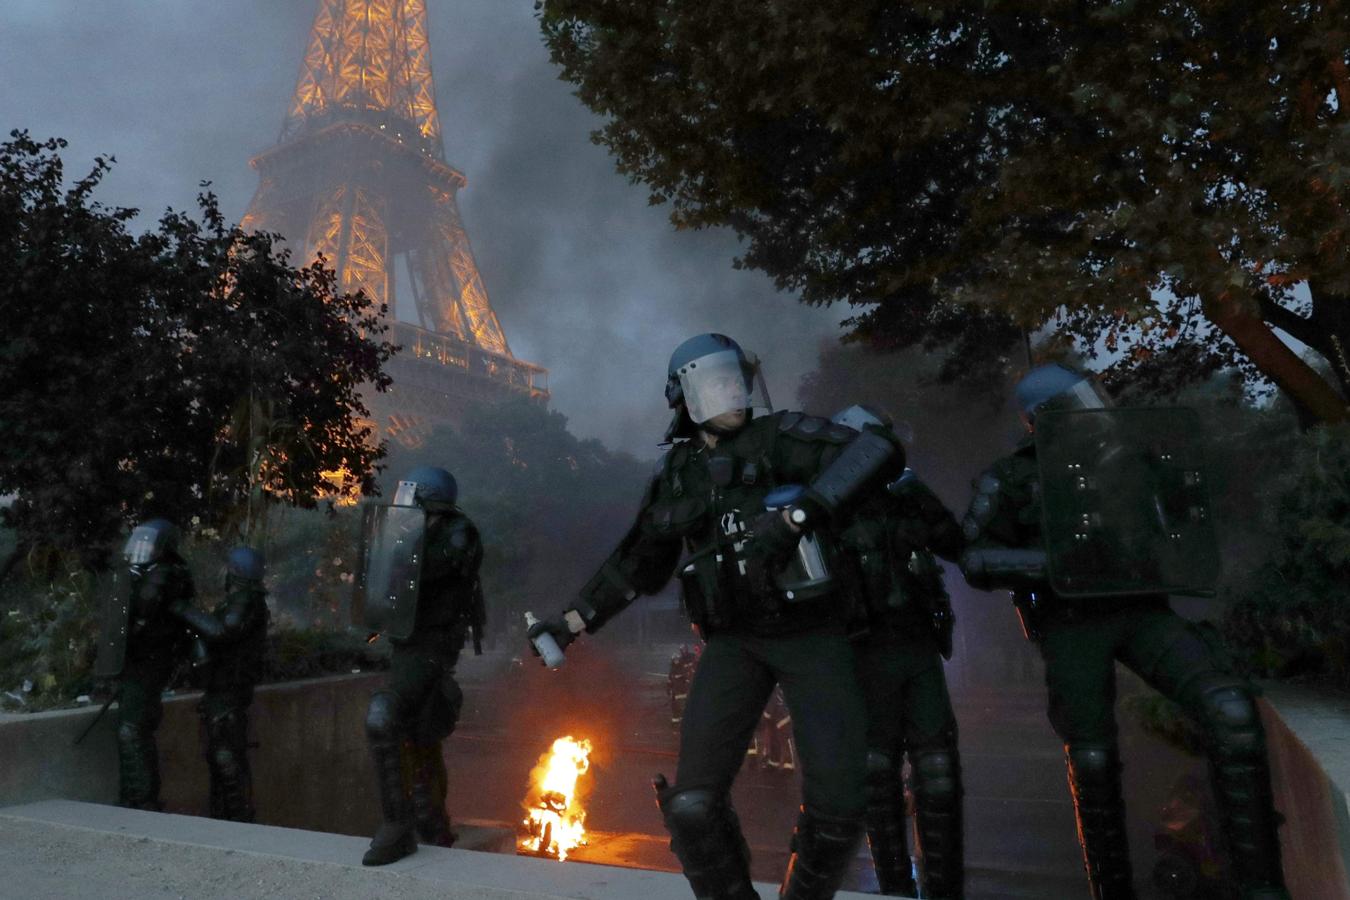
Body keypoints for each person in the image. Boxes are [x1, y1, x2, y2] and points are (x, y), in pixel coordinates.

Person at [528, 333, 904, 900]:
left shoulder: (782, 437)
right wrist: (571, 624)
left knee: (840, 806)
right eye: (715, 381)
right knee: (693, 805)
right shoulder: (679, 472)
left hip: (812, 636)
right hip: (733, 643)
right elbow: (636, 562)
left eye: (736, 379)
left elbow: (878, 452)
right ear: (683, 395)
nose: (731, 392)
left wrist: (804, 510)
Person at [959, 363, 1289, 900]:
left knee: (1230, 710)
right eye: (1077, 401)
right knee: (1091, 758)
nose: (1095, 407)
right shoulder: (1014, 476)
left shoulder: (1132, 457)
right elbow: (974, 556)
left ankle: (1262, 888)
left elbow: (1188, 511)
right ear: (1046, 419)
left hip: (1141, 610)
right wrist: (1055, 562)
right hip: (1070, 623)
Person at [832, 406, 966, 898]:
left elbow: (955, 544)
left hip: (918, 648)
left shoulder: (906, 498)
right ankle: (894, 890)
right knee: (877, 773)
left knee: (938, 770)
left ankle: (945, 889)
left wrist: (916, 492)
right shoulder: (830, 510)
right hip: (865, 654)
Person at [356, 466, 485, 866]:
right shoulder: (411, 533)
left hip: (430, 648)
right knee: (419, 735)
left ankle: (398, 828)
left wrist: (406, 541)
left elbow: (426, 570)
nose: (402, 501)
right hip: (408, 645)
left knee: (384, 715)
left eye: (410, 494)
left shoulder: (456, 532)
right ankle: (432, 827)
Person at [175, 546, 269, 822]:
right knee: (220, 758)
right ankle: (227, 819)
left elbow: (222, 631)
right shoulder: (243, 600)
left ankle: (237, 822)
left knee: (226, 759)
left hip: (230, 691)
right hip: (223, 689)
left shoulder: (245, 600)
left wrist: (184, 610)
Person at [109, 518, 197, 810]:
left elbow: (145, 607)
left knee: (133, 730)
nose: (142, 546)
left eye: (149, 541)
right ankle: (133, 799)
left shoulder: (166, 575)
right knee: (130, 729)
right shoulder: (144, 573)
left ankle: (143, 802)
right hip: (135, 661)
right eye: (141, 540)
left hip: (151, 662)